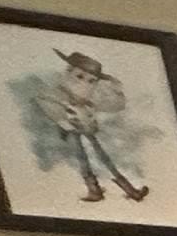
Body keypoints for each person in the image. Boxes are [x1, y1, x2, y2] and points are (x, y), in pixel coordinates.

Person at [43, 48, 148, 204]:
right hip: (72, 131)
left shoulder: (91, 99)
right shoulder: (58, 93)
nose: (84, 83)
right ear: (68, 72)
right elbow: (48, 104)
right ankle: (95, 190)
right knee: (83, 159)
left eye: (91, 81)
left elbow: (116, 106)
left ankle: (130, 190)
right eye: (79, 76)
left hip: (88, 131)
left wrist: (116, 90)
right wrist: (63, 120)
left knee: (103, 159)